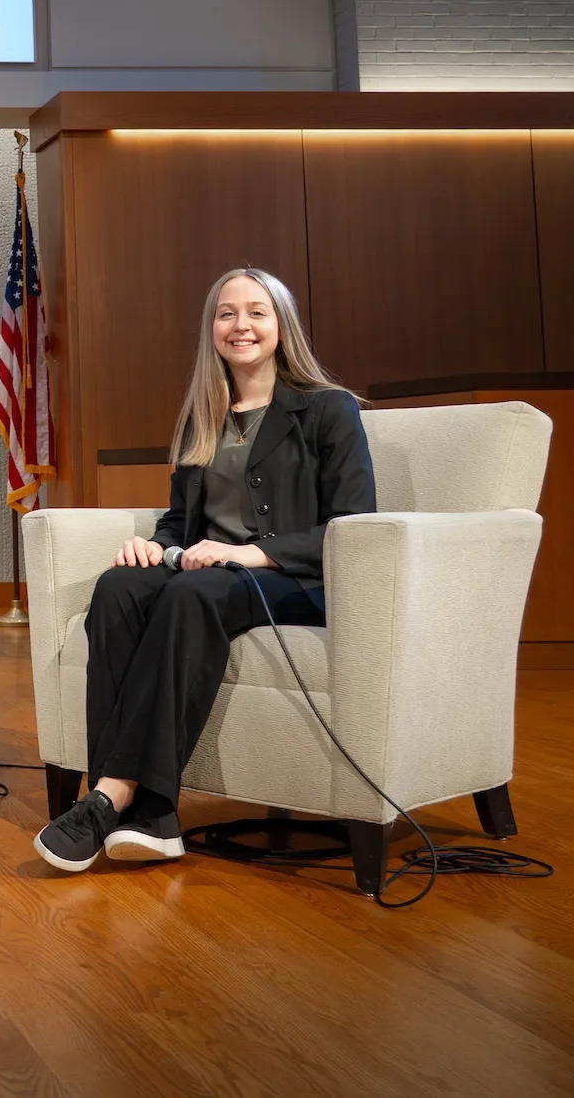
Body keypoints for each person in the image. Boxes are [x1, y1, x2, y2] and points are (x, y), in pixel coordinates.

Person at [33, 266, 376, 873]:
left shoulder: (328, 409)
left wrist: (248, 553)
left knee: (193, 594)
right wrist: (152, 546)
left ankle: (116, 797)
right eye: (226, 313)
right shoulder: (204, 412)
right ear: (210, 328)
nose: (240, 325)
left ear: (281, 325)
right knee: (118, 588)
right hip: (209, 573)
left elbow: (352, 525)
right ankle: (150, 824)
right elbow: (181, 522)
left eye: (256, 312)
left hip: (293, 580)